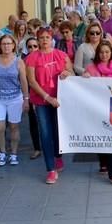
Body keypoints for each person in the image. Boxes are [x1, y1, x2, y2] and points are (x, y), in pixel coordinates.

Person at [25, 27, 74, 184]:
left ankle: (58, 155)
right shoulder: (32, 58)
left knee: (58, 131)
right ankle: (50, 169)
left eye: (47, 37)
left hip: (60, 100)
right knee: (45, 133)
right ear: (37, 40)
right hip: (42, 101)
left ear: (51, 39)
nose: (44, 40)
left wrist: (67, 73)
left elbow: (71, 73)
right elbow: (32, 81)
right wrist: (47, 97)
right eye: (41, 38)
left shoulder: (61, 55)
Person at [82, 40, 112, 184]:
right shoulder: (90, 68)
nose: (104, 54)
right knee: (100, 136)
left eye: (107, 52)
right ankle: (103, 162)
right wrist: (85, 78)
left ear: (111, 53)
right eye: (101, 52)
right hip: (96, 107)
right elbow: (83, 87)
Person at [0, 35, 29, 166]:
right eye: (4, 44)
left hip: (15, 98)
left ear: (14, 45)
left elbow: (24, 81)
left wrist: (26, 99)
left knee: (14, 126)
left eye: (9, 43)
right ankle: (2, 152)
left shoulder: (18, 61)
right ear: (0, 46)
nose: (6, 46)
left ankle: (14, 153)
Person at [22, 37, 41, 159]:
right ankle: (37, 148)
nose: (33, 49)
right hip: (31, 94)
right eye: (30, 46)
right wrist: (27, 98)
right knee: (33, 122)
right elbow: (24, 82)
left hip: (46, 94)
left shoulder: (45, 58)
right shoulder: (24, 61)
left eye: (35, 46)